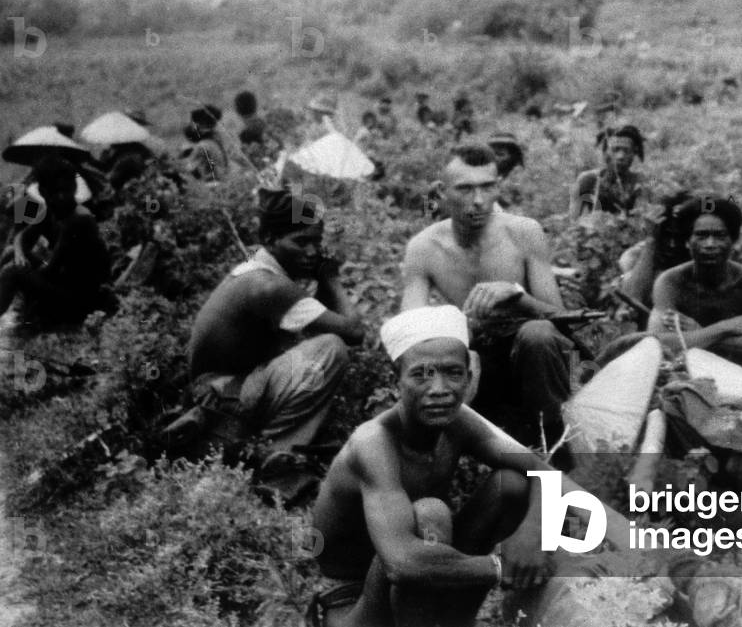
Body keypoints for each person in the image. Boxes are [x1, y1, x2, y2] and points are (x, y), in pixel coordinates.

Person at [309, 305, 629, 627]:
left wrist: (531, 533)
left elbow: (540, 470)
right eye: (421, 374)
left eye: (453, 373)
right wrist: (503, 566)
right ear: (396, 383)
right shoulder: (372, 444)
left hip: (421, 586)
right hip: (353, 607)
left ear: (469, 378)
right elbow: (402, 563)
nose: (439, 389)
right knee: (431, 513)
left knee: (512, 484)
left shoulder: (458, 419)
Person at [401, 144, 573, 468]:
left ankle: (554, 445)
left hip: (528, 360)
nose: (478, 201)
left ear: (499, 186)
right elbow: (409, 331)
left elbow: (561, 322)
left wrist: (517, 295)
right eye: (465, 189)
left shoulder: (523, 232)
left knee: (539, 334)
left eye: (487, 187)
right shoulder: (424, 247)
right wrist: (455, 329)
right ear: (442, 192)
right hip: (471, 362)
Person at [184, 189, 364, 463]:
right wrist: (330, 277)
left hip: (217, 391)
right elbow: (354, 332)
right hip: (220, 395)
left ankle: (259, 446)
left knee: (315, 344)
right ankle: (274, 453)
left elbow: (318, 324)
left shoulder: (256, 271)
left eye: (316, 242)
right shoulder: (269, 287)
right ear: (270, 239)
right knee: (332, 350)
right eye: (301, 242)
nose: (312, 252)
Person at [647, 194, 742, 377]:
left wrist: (699, 334)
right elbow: (658, 342)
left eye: (720, 236)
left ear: (733, 240)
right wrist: (724, 328)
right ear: (687, 241)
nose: (710, 244)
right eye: (701, 236)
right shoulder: (670, 282)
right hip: (694, 381)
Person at [0, 156, 111, 326]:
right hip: (62, 283)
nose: (63, 197)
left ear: (74, 188)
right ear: (44, 192)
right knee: (10, 253)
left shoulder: (79, 219)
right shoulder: (49, 211)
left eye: (67, 190)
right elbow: (21, 237)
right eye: (56, 192)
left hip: (78, 300)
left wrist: (24, 272)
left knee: (13, 272)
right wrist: (20, 253)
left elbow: (50, 271)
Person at [619, 189, 694, 310]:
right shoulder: (637, 253)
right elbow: (633, 300)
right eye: (667, 235)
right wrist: (651, 241)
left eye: (680, 237)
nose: (672, 244)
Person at [568, 124, 647, 220]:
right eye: (615, 150)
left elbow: (643, 223)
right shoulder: (589, 180)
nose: (621, 156)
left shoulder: (640, 183)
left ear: (634, 154)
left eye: (626, 151)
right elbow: (574, 221)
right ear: (605, 153)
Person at [180, 104, 230, 182]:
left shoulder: (203, 146)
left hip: (218, 182)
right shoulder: (217, 136)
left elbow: (186, 168)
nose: (190, 126)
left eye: (192, 123)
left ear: (200, 125)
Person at [487, 132, 525, 211]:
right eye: (492, 154)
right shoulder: (492, 173)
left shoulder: (518, 175)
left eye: (500, 154)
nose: (495, 158)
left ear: (512, 156)